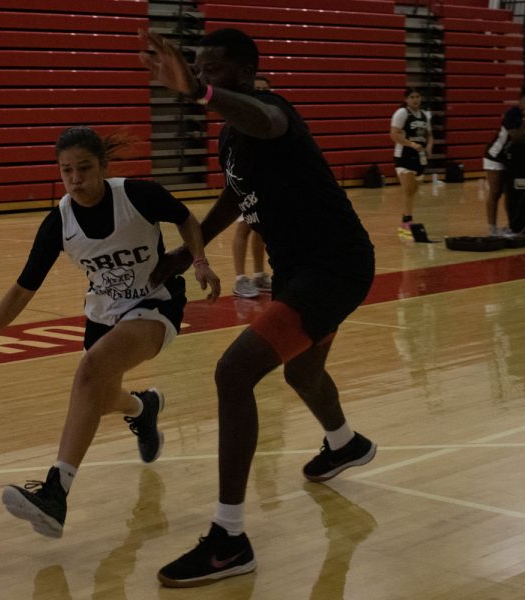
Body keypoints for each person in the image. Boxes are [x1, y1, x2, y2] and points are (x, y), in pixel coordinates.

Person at [139, 27, 377, 587]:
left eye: (214, 71)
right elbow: (234, 196)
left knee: (233, 371)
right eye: (198, 69)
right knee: (302, 371)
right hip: (304, 271)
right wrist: (183, 252)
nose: (204, 78)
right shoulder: (229, 138)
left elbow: (264, 121)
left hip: (334, 268)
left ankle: (229, 540)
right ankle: (346, 443)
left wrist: (199, 95)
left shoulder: (273, 112)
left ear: (246, 72)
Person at [0, 125, 220, 538]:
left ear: (102, 166)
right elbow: (23, 287)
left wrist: (199, 260)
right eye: (66, 171)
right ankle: (143, 408)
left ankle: (56, 492)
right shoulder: (59, 222)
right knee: (100, 398)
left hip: (155, 303)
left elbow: (187, 219)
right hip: (103, 312)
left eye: (84, 168)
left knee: (89, 369)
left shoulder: (137, 196)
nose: (75, 179)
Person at [232, 75, 273, 297]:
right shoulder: (241, 116)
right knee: (244, 227)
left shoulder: (270, 116)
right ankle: (240, 279)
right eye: (256, 88)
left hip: (266, 181)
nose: (261, 92)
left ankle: (259, 274)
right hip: (244, 180)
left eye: (265, 89)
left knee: (261, 228)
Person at [482, 83, 525, 236]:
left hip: (512, 159)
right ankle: (492, 229)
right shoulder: (512, 114)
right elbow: (518, 137)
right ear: (520, 101)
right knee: (495, 192)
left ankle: (512, 225)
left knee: (511, 193)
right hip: (495, 156)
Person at [390, 87, 433, 238]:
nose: (415, 99)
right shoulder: (402, 113)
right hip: (404, 156)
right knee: (408, 190)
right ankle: (406, 224)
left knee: (413, 192)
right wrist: (411, 144)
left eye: (417, 97)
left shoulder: (424, 115)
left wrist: (429, 146)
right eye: (412, 97)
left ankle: (406, 221)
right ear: (406, 99)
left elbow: (429, 135)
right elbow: (394, 134)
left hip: (419, 158)